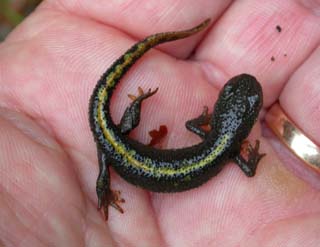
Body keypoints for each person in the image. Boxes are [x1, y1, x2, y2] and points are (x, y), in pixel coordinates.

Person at [0, 1, 319, 246]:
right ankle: (108, 180)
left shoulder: (220, 145)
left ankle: (107, 184)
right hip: (120, 150)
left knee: (109, 153)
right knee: (109, 151)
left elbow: (196, 126)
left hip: (119, 150)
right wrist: (253, 155)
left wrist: (206, 122)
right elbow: (248, 169)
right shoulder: (231, 151)